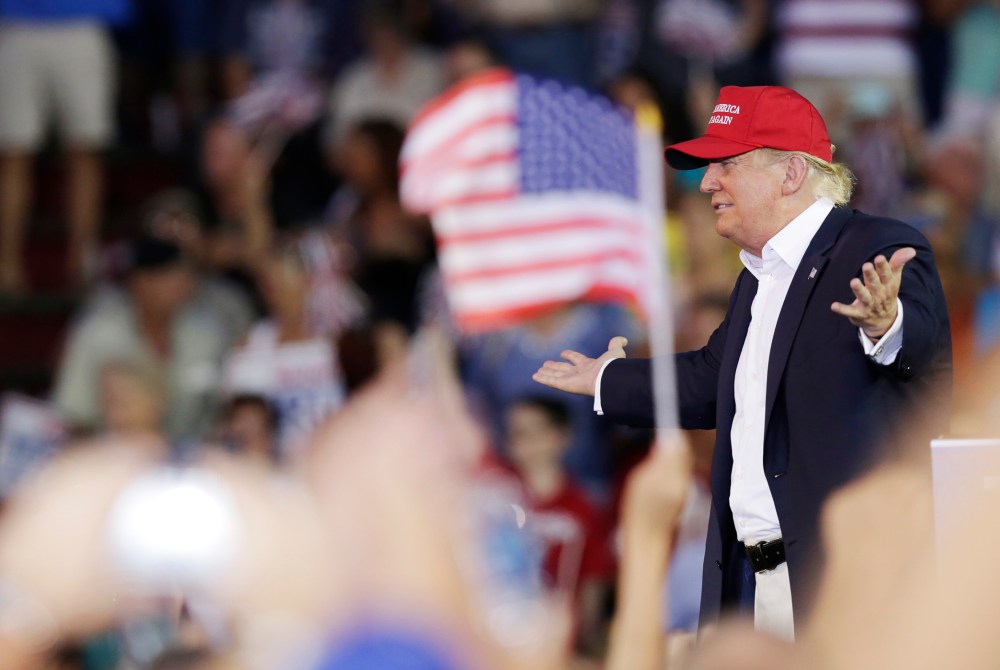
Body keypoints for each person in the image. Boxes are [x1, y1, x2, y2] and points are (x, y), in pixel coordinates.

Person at [533, 85, 953, 640]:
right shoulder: (758, 276)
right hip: (754, 589)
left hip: (848, 588)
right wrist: (608, 378)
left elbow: (923, 348)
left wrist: (885, 323)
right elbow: (713, 378)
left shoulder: (877, 245)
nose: (707, 182)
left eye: (726, 164)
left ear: (790, 174)